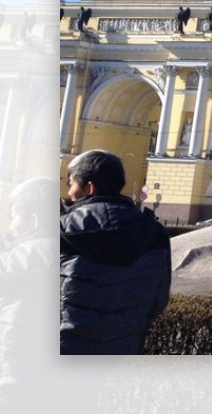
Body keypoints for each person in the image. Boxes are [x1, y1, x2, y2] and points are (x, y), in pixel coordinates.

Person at [59, 150, 171, 354]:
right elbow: (158, 300)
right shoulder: (155, 234)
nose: (69, 193)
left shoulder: (61, 229)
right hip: (123, 350)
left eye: (72, 184)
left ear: (90, 187)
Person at [1, 178, 57, 400]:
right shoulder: (62, 247)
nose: (10, 224)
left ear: (34, 220)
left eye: (13, 216)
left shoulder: (30, 255)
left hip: (14, 367)